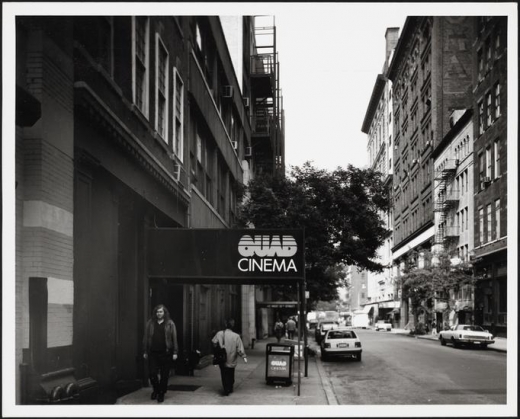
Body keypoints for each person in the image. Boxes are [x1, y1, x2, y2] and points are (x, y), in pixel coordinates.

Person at [143, 304, 178, 403]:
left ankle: (161, 393)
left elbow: (174, 338)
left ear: (164, 313)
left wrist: (175, 352)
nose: (159, 314)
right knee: (152, 373)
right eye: (157, 312)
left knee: (164, 375)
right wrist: (145, 350)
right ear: (155, 313)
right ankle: (156, 389)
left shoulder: (170, 323)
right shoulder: (150, 323)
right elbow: (146, 338)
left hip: (165, 353)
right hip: (153, 352)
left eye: (161, 312)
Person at [212, 319, 247, 396]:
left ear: (225, 325)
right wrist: (244, 357)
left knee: (224, 373)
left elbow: (214, 342)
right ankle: (230, 387)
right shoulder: (236, 336)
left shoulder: (219, 333)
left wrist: (218, 348)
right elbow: (240, 349)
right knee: (231, 373)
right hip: (232, 358)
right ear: (233, 326)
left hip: (222, 358)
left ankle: (226, 388)